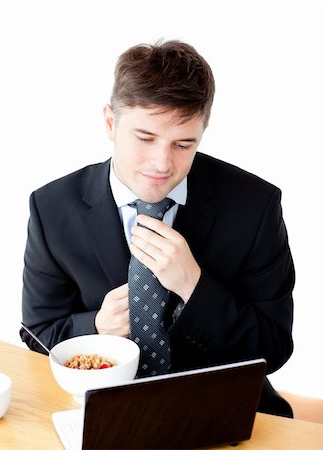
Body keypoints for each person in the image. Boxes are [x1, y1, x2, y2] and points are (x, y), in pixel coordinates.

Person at [20, 40, 295, 417]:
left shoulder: (255, 206)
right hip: (104, 411)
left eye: (183, 144)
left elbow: (275, 347)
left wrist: (193, 286)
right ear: (110, 122)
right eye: (145, 138)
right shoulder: (52, 207)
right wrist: (97, 327)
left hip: (224, 410)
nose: (161, 163)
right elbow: (37, 333)